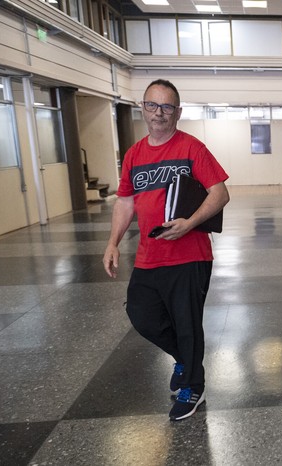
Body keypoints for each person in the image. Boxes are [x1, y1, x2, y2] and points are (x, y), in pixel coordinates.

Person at [102, 79, 230, 421]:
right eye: (153, 105)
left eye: (167, 107)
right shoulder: (134, 154)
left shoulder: (192, 148)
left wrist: (189, 222)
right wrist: (113, 242)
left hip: (190, 255)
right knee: (142, 314)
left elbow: (220, 194)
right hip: (148, 256)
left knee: (187, 324)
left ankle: (193, 387)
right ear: (143, 108)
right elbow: (125, 202)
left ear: (178, 112)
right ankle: (185, 360)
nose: (160, 113)